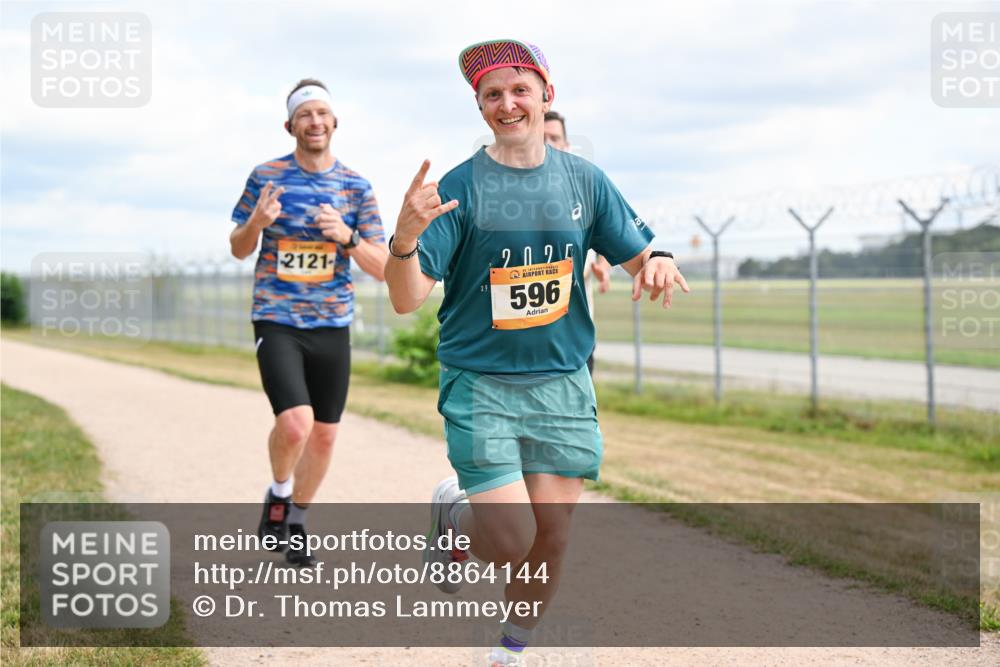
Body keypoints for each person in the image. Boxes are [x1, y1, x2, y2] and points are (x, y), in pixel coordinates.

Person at [384, 40, 688, 665]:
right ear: (480, 106)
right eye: (492, 94)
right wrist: (405, 239)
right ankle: (456, 517)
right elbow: (406, 298)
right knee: (508, 538)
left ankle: (509, 652)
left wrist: (657, 261)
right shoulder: (457, 190)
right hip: (481, 382)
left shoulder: (584, 180)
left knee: (551, 534)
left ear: (547, 95)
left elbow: (637, 251)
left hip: (562, 384)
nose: (508, 103)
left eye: (520, 89)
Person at [230, 78, 387, 566]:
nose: (314, 122)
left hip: (332, 323)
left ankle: (296, 519)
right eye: (304, 115)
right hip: (277, 318)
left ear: (334, 122)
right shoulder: (267, 176)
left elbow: (383, 266)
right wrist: (257, 221)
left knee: (324, 433)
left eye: (322, 113)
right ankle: (278, 494)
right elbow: (238, 248)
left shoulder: (356, 187)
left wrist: (346, 237)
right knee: (295, 425)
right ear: (289, 125)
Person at [544, 110, 612, 374]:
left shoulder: (585, 193)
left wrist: (603, 269)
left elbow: (606, 239)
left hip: (576, 338)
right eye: (542, 138)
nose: (548, 144)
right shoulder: (514, 199)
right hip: (528, 339)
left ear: (566, 145)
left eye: (554, 138)